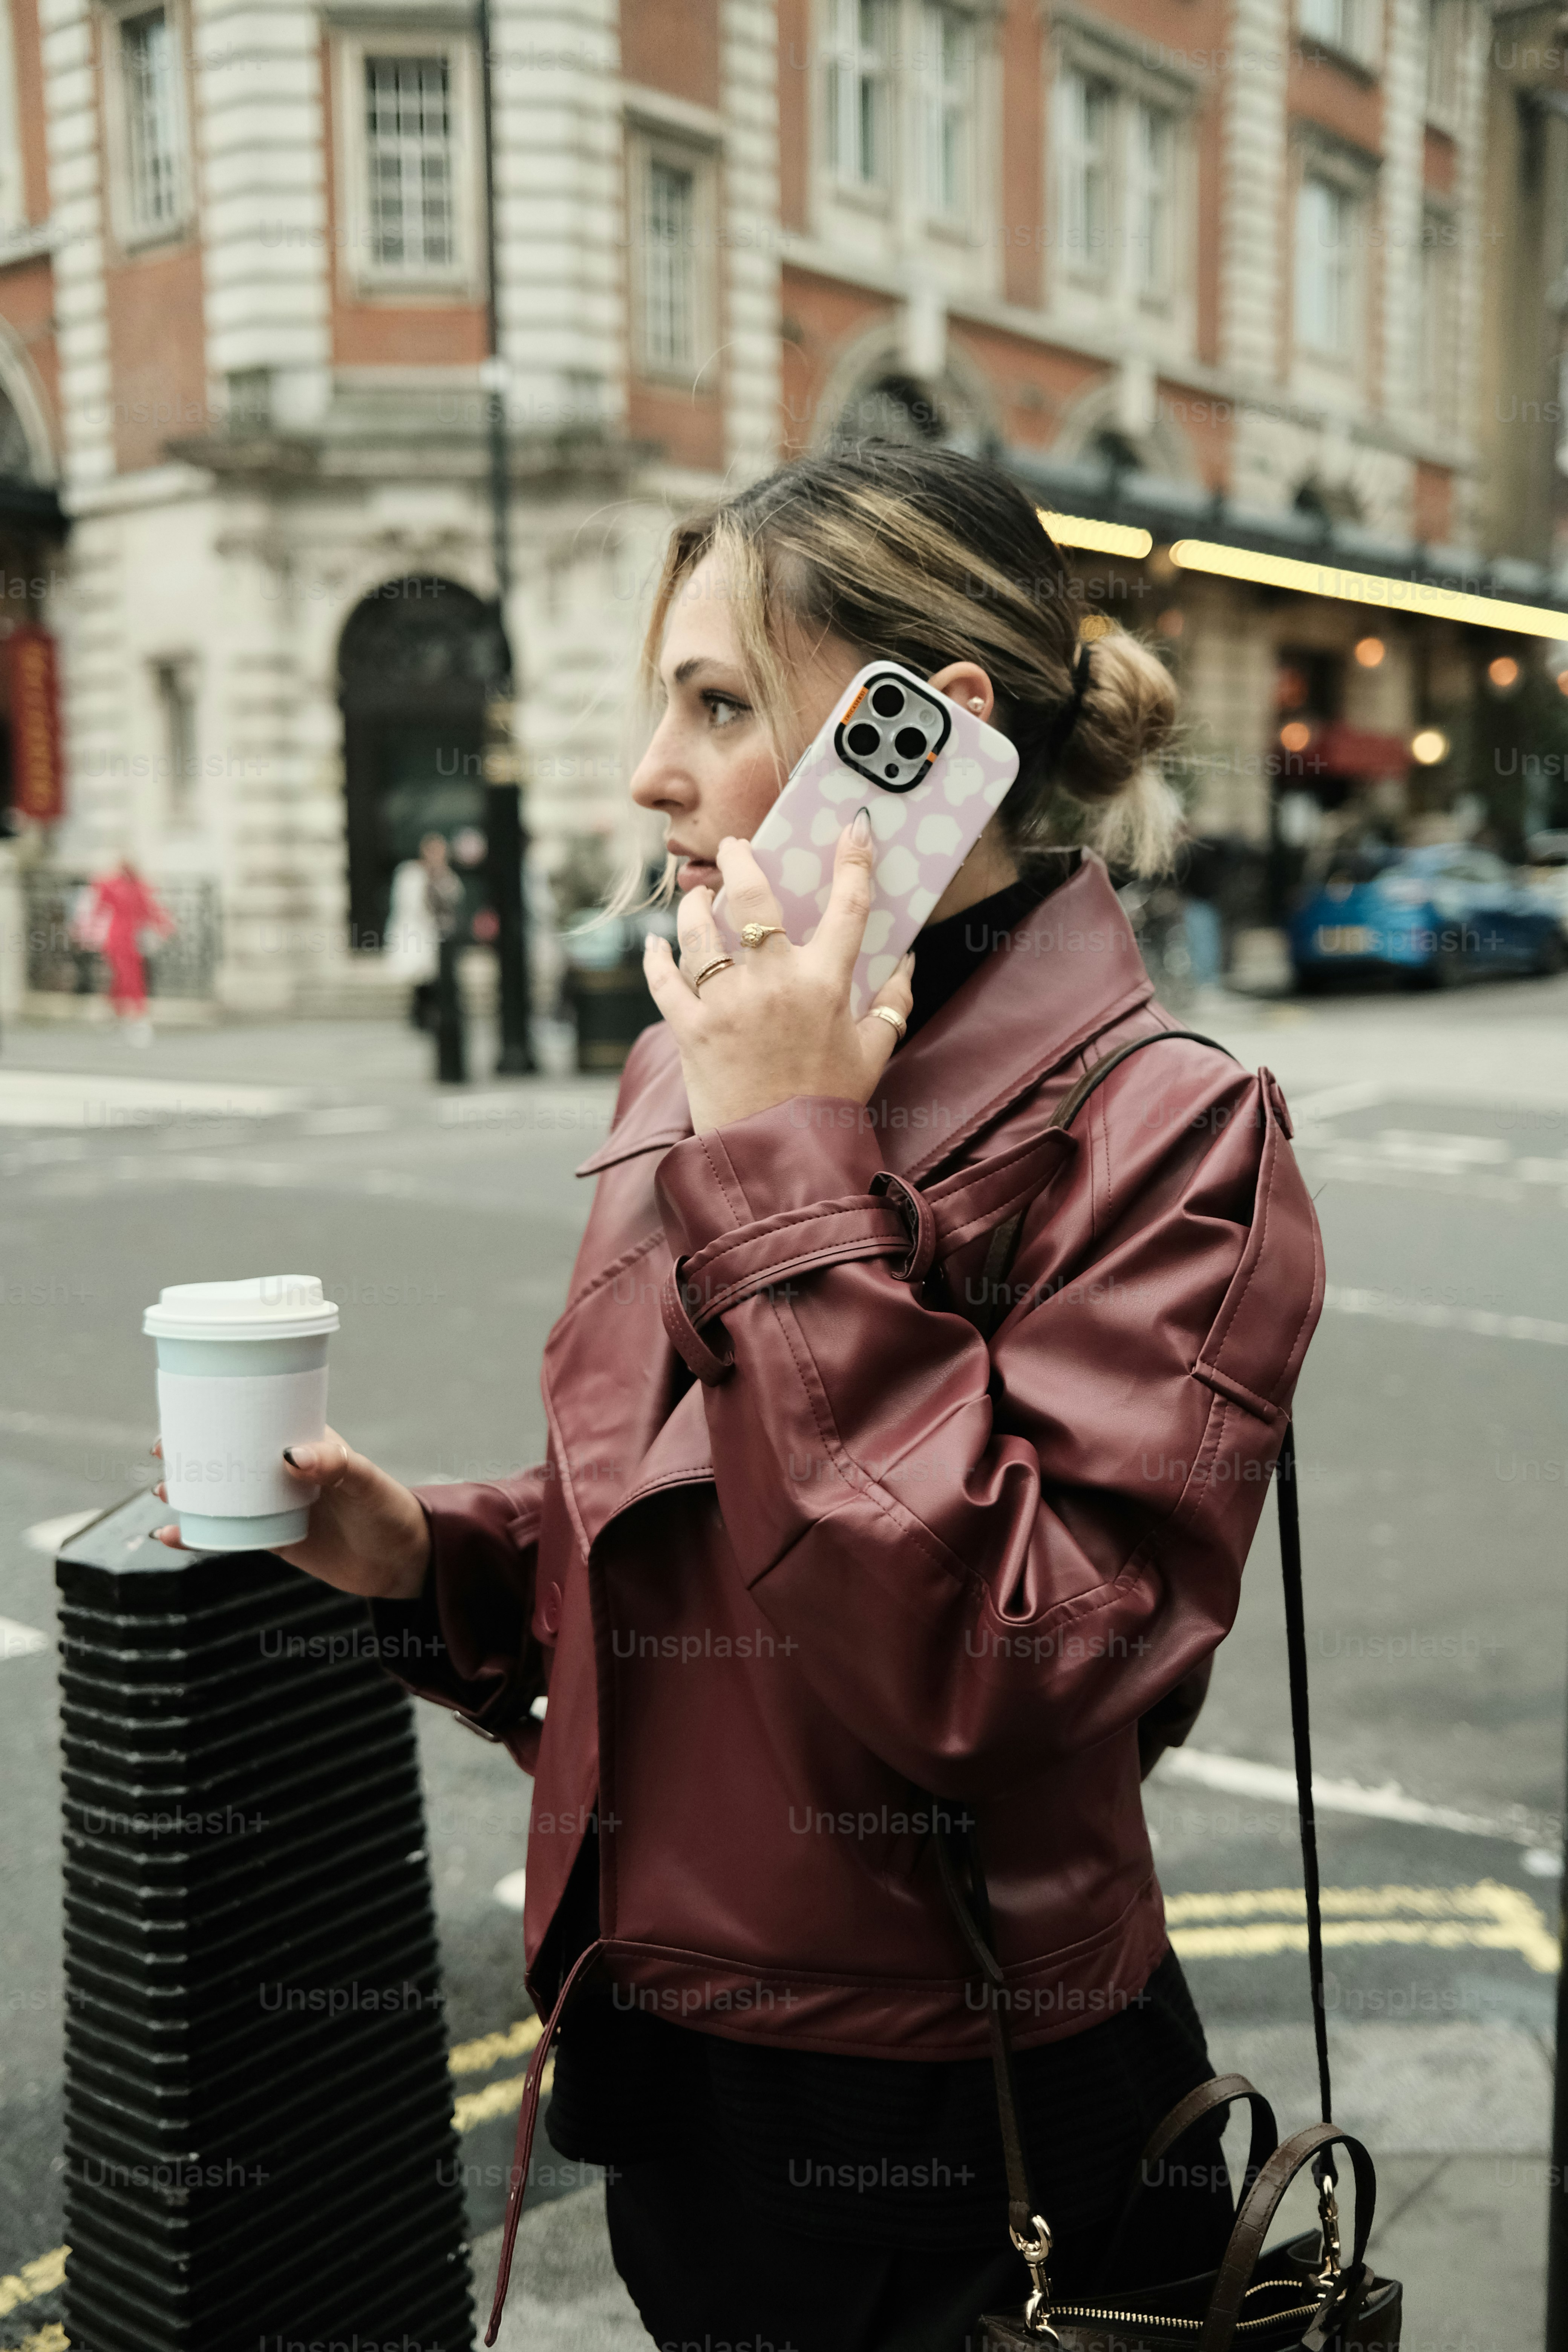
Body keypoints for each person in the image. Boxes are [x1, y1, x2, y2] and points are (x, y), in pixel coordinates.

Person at [153, 446, 1323, 2351]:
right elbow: (685, 1526)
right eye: (661, 702)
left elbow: (1000, 1670)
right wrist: (432, 1557)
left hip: (978, 2110)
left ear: (922, 742)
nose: (650, 774)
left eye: (717, 705)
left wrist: (789, 1154)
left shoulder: (1165, 1123)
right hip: (676, 2067)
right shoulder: (681, 1063)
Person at [71, 856, 174, 1044]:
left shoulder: (133, 887)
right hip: (120, 938)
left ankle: (119, 1015)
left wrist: (164, 926)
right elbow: (100, 906)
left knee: (126, 978)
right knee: (127, 978)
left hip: (129, 939)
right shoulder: (123, 887)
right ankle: (136, 1018)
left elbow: (150, 911)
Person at [385, 832, 462, 1031]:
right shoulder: (411, 873)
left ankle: (434, 1016)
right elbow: (408, 904)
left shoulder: (445, 875)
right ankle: (421, 1017)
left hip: (438, 936)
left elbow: (454, 896)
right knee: (420, 978)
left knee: (435, 977)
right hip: (417, 933)